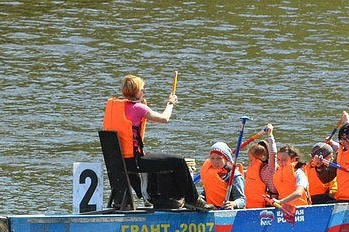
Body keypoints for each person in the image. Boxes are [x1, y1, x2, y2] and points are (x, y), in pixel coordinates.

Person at [101, 74, 203, 210]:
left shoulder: (116, 107)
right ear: (136, 91)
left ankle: (157, 199)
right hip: (135, 162)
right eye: (142, 89)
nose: (144, 92)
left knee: (157, 158)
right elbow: (164, 119)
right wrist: (170, 103)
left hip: (119, 162)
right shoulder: (138, 108)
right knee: (178, 161)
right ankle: (193, 200)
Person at [196, 141, 245, 209]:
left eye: (219, 158)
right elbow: (207, 192)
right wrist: (201, 197)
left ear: (226, 159)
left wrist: (234, 204)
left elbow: (242, 200)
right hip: (211, 208)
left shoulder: (234, 175)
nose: (215, 162)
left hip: (227, 210)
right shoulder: (209, 172)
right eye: (212, 158)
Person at [243, 125, 277, 208]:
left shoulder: (269, 169)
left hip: (272, 201)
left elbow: (273, 154)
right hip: (253, 203)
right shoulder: (253, 169)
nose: (250, 163)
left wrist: (270, 135)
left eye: (251, 160)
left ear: (261, 157)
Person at [272, 144, 310, 210]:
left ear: (293, 160)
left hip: (300, 210)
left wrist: (281, 201)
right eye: (278, 159)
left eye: (284, 160)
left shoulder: (299, 173)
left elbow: (299, 193)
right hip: (284, 209)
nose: (280, 163)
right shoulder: (278, 173)